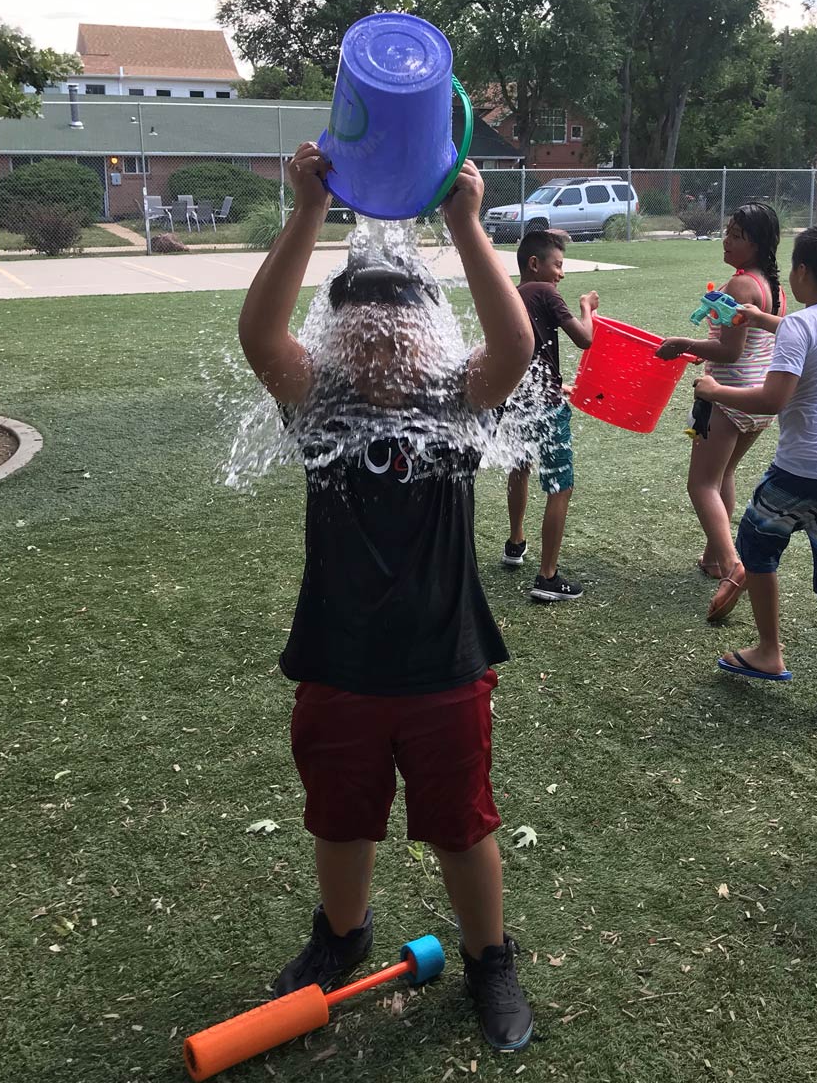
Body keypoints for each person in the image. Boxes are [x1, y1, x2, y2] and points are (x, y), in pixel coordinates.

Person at [237, 142, 536, 1050]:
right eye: (360, 323)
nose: (381, 336)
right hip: (340, 665)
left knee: (461, 825)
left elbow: (517, 345)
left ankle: (489, 958)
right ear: (336, 337)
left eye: (400, 323)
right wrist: (304, 216)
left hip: (445, 664)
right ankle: (343, 933)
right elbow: (259, 335)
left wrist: (466, 226)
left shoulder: (456, 405)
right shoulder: (317, 405)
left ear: (430, 333)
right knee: (340, 815)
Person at [694, 223, 817, 740]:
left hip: (803, 471)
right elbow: (808, 332)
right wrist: (761, 318)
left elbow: (772, 399)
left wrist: (714, 391)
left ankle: (769, 652)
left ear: (801, 272)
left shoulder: (800, 327)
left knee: (755, 546)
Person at [656, 203, 785, 621]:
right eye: (728, 231)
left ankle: (732, 567)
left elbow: (730, 350)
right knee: (723, 475)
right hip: (758, 398)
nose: (727, 240)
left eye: (737, 235)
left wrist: (682, 343)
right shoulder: (773, 287)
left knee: (701, 484)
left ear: (758, 244)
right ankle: (715, 558)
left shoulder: (741, 285)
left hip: (728, 397)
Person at [501, 229, 597, 602]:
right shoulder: (544, 292)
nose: (561, 273)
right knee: (560, 486)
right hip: (545, 405)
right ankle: (547, 577)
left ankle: (515, 542)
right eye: (557, 265)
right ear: (535, 264)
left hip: (519, 399)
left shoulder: (512, 294)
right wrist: (588, 307)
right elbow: (584, 339)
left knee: (519, 467)